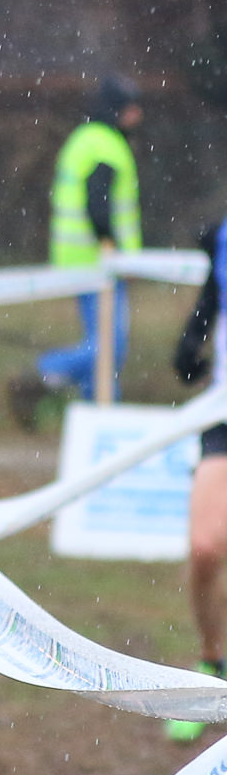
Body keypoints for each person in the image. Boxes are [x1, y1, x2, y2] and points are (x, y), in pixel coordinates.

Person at [20, 75, 145, 424]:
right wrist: (115, 250)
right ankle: (45, 373)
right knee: (110, 348)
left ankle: (98, 419)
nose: (138, 115)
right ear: (117, 109)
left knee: (102, 346)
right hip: (98, 262)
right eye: (132, 108)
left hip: (77, 259)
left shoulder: (83, 139)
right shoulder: (107, 145)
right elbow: (98, 204)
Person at [168, 213, 227, 742]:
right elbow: (212, 298)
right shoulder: (224, 239)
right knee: (206, 548)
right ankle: (212, 663)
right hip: (223, 415)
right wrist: (191, 346)